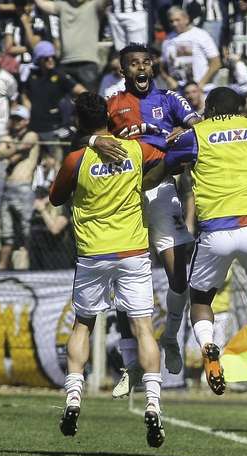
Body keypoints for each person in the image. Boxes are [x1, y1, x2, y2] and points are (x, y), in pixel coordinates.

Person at [48, 92, 187, 447]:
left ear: (79, 121)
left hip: (93, 253)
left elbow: (55, 198)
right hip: (132, 251)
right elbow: (169, 158)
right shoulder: (135, 151)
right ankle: (154, 405)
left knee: (83, 324)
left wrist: (89, 147)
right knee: (143, 328)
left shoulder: (76, 159)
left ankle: (74, 398)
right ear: (110, 119)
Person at [84, 44, 200, 398]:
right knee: (125, 282)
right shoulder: (112, 102)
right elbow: (85, 135)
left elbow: (198, 127)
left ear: (153, 66)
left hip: (162, 188)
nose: (141, 67)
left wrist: (187, 132)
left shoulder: (171, 99)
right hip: (127, 194)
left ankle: (171, 338)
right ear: (123, 71)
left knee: (179, 276)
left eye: (146, 62)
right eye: (133, 63)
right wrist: (96, 140)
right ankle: (131, 364)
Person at [164, 87, 247, 396]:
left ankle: (208, 348)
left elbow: (171, 159)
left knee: (201, 299)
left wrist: (178, 137)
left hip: (215, 231)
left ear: (212, 108)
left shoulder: (197, 134)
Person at [0, 106, 39, 270]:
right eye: (13, 118)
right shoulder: (8, 136)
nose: (16, 122)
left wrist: (9, 148)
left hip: (24, 188)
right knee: (7, 234)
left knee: (26, 230)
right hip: (7, 189)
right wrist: (13, 150)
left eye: (19, 119)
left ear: (26, 121)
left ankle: (27, 268)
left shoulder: (31, 134)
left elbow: (24, 147)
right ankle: (2, 268)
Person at [161, 7, 222, 91]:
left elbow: (216, 62)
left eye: (177, 20)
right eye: (171, 21)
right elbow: (161, 66)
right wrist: (168, 79)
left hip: (201, 90)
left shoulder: (201, 35)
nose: (174, 24)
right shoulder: (167, 40)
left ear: (186, 19)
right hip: (179, 92)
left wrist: (201, 84)